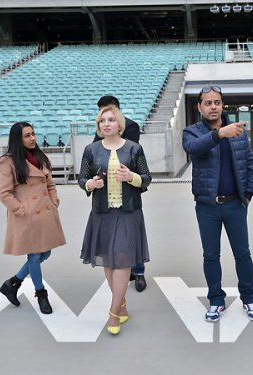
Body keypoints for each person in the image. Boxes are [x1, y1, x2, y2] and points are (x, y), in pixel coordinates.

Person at [182, 85, 253, 322]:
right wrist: (219, 134)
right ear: (200, 107)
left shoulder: (238, 132)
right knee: (210, 255)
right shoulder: (192, 131)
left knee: (243, 253)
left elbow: (249, 165)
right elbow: (193, 149)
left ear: (222, 105)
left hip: (235, 204)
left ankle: (249, 298)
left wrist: (247, 195)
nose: (213, 106)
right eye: (208, 103)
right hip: (207, 206)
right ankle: (216, 300)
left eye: (217, 102)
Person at [79, 105, 152, 335]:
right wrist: (91, 184)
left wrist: (131, 177)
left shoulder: (134, 148)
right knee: (108, 261)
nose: (106, 124)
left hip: (128, 212)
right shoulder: (91, 150)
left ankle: (113, 312)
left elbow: (147, 178)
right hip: (102, 213)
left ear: (120, 124)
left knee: (122, 260)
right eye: (102, 121)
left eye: (111, 119)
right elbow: (81, 179)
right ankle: (121, 304)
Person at [0, 122, 66, 314]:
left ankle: (13, 283)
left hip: (45, 213)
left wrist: (54, 202)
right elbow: (4, 193)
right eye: (27, 136)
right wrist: (22, 210)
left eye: (33, 134)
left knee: (46, 253)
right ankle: (41, 294)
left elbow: (50, 185)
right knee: (35, 256)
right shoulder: (8, 161)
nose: (32, 138)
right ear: (17, 139)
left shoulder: (39, 157)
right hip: (26, 217)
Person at [94, 95, 147, 292]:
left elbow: (128, 150)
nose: (105, 120)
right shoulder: (102, 128)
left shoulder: (130, 126)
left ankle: (139, 272)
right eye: (101, 114)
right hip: (107, 191)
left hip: (126, 185)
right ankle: (122, 277)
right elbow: (96, 151)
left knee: (131, 236)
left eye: (108, 112)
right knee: (114, 239)